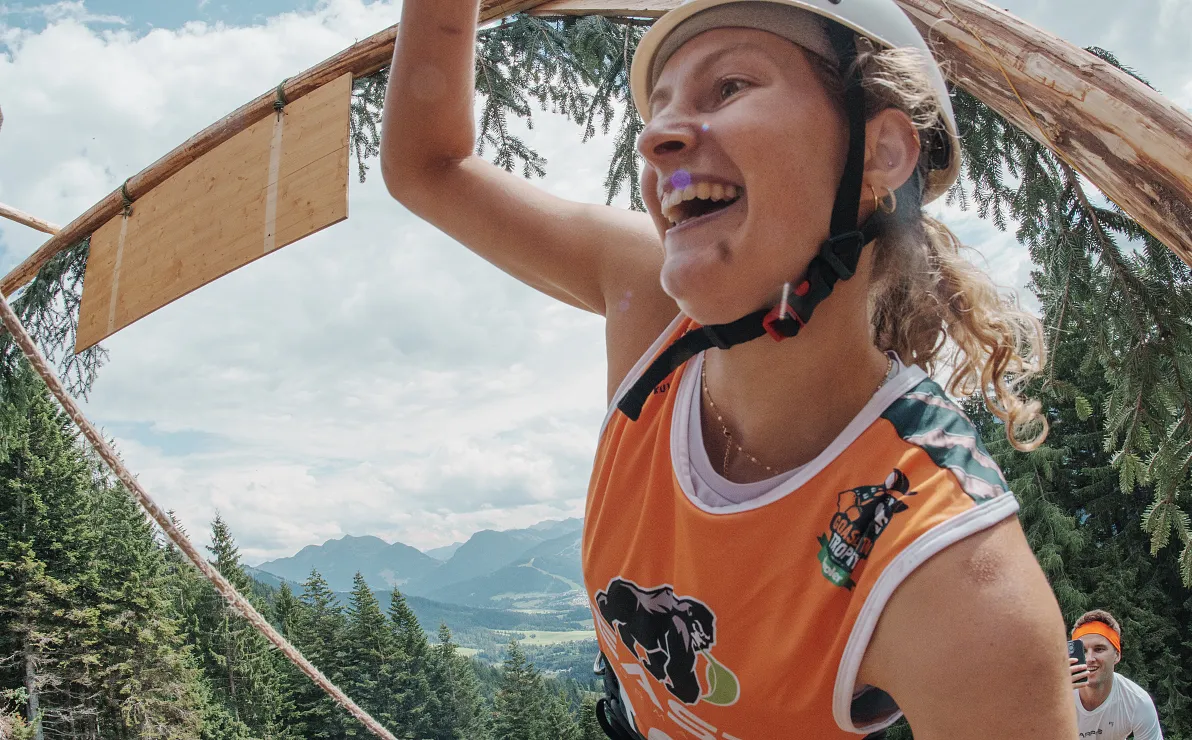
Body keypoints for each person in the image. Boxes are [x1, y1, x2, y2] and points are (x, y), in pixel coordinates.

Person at [380, 0, 1077, 737]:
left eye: (731, 86)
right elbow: (429, 166)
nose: (654, 138)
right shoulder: (646, 302)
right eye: (657, 109)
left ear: (881, 155)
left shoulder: (953, 575)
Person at [1069, 610, 1163, 740]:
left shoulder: (1137, 701)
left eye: (1099, 649)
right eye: (1083, 651)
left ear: (1117, 655)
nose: (1090, 658)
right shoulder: (1057, 696)